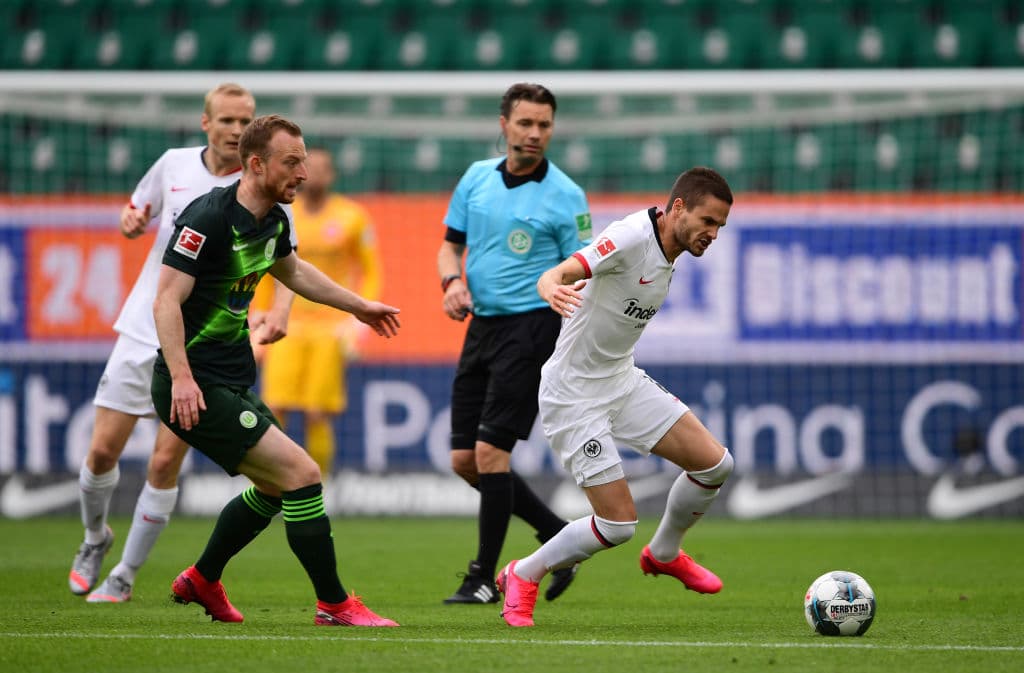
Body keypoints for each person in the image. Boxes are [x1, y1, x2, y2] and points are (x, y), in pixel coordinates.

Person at [152, 114, 401, 627]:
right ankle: (334, 604)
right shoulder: (208, 219)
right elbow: (165, 301)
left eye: (304, 160)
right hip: (195, 385)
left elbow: (294, 272)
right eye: (292, 162)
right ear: (256, 164)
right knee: (302, 475)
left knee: (272, 487)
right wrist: (180, 376)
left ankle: (202, 579)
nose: (304, 172)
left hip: (231, 378)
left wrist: (358, 306)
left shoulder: (274, 219)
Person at [69, 83, 295, 604]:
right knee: (102, 451)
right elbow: (136, 213)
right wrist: (130, 222)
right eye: (227, 121)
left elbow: (289, 262)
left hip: (205, 345)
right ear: (205, 123)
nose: (237, 131)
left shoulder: (262, 182)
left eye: (245, 122)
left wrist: (279, 313)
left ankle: (124, 575)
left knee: (164, 463)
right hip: (145, 327)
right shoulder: (172, 165)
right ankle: (94, 538)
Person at [495, 167, 735, 627]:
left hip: (620, 381)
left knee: (716, 465)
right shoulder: (629, 236)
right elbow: (566, 269)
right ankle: (523, 573)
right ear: (678, 208)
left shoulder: (673, 247)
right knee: (618, 524)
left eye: (720, 226)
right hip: (574, 395)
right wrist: (551, 284)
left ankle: (664, 553)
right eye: (708, 221)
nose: (713, 234)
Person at [437, 82, 593, 605]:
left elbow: (583, 271)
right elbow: (449, 246)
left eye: (544, 125)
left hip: (532, 328)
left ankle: (483, 577)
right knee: (465, 460)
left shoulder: (566, 195)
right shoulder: (476, 179)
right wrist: (452, 283)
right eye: (525, 123)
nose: (534, 134)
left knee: (490, 451)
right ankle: (555, 533)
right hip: (481, 326)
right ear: (503, 124)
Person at [257, 147, 382, 476]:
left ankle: (318, 486)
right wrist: (260, 317)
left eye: (323, 168)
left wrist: (357, 325)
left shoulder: (352, 217)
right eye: (309, 167)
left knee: (317, 412)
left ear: (333, 175)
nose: (315, 174)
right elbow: (265, 269)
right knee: (275, 408)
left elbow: (371, 271)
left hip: (330, 326)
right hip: (287, 322)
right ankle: (274, 484)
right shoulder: (282, 213)